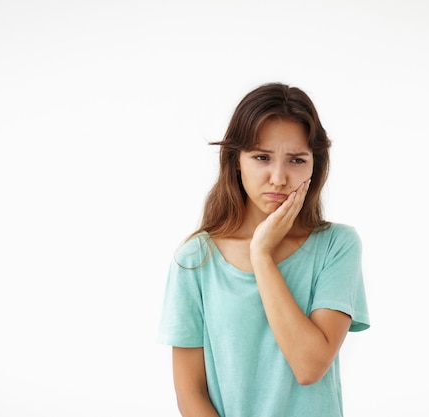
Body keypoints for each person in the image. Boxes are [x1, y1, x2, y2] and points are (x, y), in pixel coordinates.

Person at [158, 82, 370, 417]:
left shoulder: (337, 247)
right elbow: (191, 393)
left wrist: (262, 255)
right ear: (236, 161)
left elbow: (309, 366)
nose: (279, 177)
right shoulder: (195, 260)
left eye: (297, 160)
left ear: (315, 166)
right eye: (261, 157)